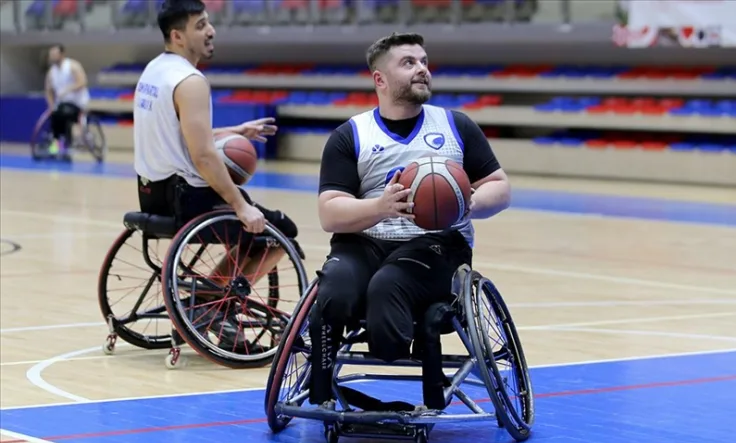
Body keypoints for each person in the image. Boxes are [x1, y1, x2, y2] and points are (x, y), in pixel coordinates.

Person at [309, 32, 511, 412]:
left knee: (389, 285)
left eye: (424, 61)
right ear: (379, 80)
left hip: (437, 244)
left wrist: (469, 203)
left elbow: (500, 188)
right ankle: (319, 393)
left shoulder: (456, 126)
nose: (422, 69)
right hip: (365, 242)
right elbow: (329, 212)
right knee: (333, 290)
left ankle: (396, 354)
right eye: (409, 63)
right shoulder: (350, 135)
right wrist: (382, 207)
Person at [133, 0, 298, 350]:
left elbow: (179, 136)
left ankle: (205, 302)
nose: (211, 31)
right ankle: (210, 306)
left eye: (209, 22)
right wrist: (240, 206)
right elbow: (203, 155)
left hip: (153, 193)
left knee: (256, 230)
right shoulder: (190, 81)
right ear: (178, 36)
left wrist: (235, 131)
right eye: (200, 25)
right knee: (280, 232)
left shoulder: (154, 71)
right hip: (187, 198)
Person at [44, 44, 90, 158]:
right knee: (55, 114)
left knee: (63, 113)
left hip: (77, 103)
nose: (52, 56)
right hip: (62, 105)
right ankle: (57, 142)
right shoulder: (51, 72)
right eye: (51, 54)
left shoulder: (73, 66)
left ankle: (66, 141)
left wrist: (68, 89)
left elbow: (82, 81)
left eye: (54, 54)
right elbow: (48, 90)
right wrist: (51, 106)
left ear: (61, 54)